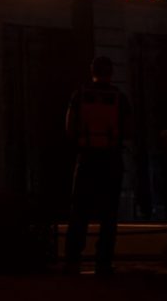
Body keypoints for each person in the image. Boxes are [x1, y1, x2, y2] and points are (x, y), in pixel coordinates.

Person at [63, 56, 132, 275]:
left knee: (79, 211)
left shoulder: (80, 96)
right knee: (109, 213)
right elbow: (128, 130)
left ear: (91, 71)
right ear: (111, 73)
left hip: (86, 157)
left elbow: (70, 127)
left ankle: (73, 259)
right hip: (111, 158)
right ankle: (103, 261)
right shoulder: (120, 98)